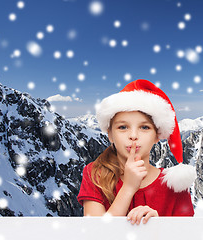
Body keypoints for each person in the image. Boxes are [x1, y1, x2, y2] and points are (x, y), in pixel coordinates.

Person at [77, 79, 196, 225]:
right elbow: (94, 234)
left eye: (144, 127)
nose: (133, 135)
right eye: (122, 127)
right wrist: (128, 188)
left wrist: (158, 226)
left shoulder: (175, 185)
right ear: (110, 134)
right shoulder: (94, 175)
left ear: (157, 136)